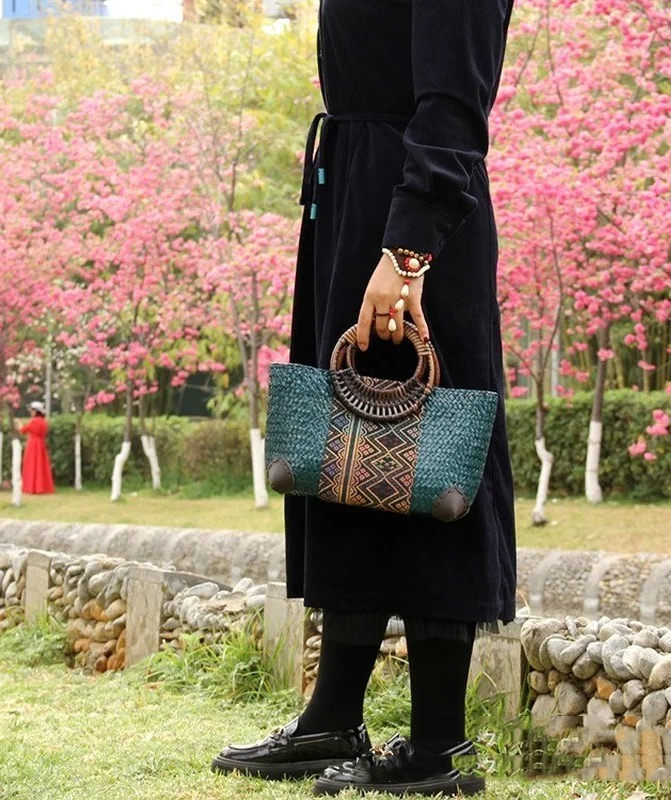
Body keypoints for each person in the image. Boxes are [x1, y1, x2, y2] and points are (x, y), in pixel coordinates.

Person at [213, 0, 516, 795]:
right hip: (351, 197)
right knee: (348, 458)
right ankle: (331, 719)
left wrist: (408, 249)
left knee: (435, 457)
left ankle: (439, 746)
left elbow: (454, 102)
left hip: (413, 224)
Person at [17, 401, 55, 495]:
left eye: (32, 410)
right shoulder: (44, 422)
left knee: (31, 465)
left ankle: (31, 487)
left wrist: (19, 424)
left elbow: (23, 430)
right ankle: (42, 487)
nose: (31, 412)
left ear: (36, 411)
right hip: (41, 444)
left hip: (33, 445)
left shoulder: (34, 421)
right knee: (41, 465)